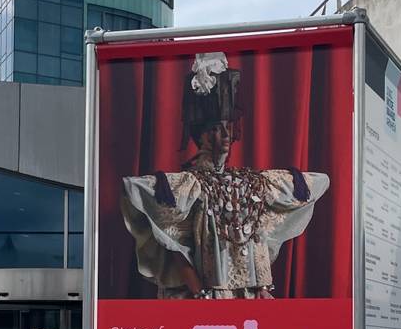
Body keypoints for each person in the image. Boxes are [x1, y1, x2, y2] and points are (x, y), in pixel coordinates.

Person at [120, 51, 330, 298]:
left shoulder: (249, 184)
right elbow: (173, 245)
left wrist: (262, 287)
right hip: (210, 298)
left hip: (247, 298)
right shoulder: (189, 187)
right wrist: (200, 293)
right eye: (217, 129)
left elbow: (258, 234)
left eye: (228, 128)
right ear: (203, 136)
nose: (226, 135)